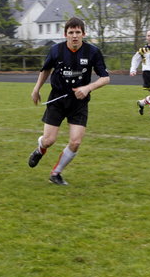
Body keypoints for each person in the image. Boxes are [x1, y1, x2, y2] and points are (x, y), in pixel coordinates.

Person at [28, 17, 110, 186]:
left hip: (79, 103)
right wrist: (36, 89)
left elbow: (105, 78)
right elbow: (46, 70)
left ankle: (55, 174)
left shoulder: (92, 52)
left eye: (77, 32)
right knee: (49, 140)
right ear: (65, 34)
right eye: (71, 32)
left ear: (83, 34)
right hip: (57, 100)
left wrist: (88, 88)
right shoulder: (56, 50)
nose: (74, 36)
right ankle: (40, 148)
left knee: (76, 142)